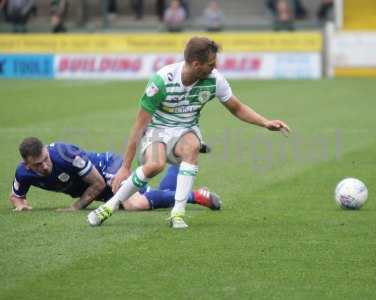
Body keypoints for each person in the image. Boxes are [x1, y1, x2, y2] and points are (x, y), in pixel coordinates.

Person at [87, 36, 290, 229]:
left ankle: (177, 213)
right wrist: (125, 167)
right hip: (157, 131)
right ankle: (109, 207)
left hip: (186, 131)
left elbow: (237, 108)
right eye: (211, 64)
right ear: (195, 64)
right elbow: (139, 125)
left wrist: (265, 122)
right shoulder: (161, 82)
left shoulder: (215, 80)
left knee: (192, 146)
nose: (215, 67)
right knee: (155, 165)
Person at [10, 137, 220, 212]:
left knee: (134, 204)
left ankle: (196, 196)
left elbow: (98, 183)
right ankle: (181, 155)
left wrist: (76, 207)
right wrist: (21, 205)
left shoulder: (64, 154)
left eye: (46, 159)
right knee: (159, 195)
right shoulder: (24, 173)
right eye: (38, 165)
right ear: (27, 165)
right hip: (101, 191)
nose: (45, 166)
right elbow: (17, 195)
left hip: (108, 168)